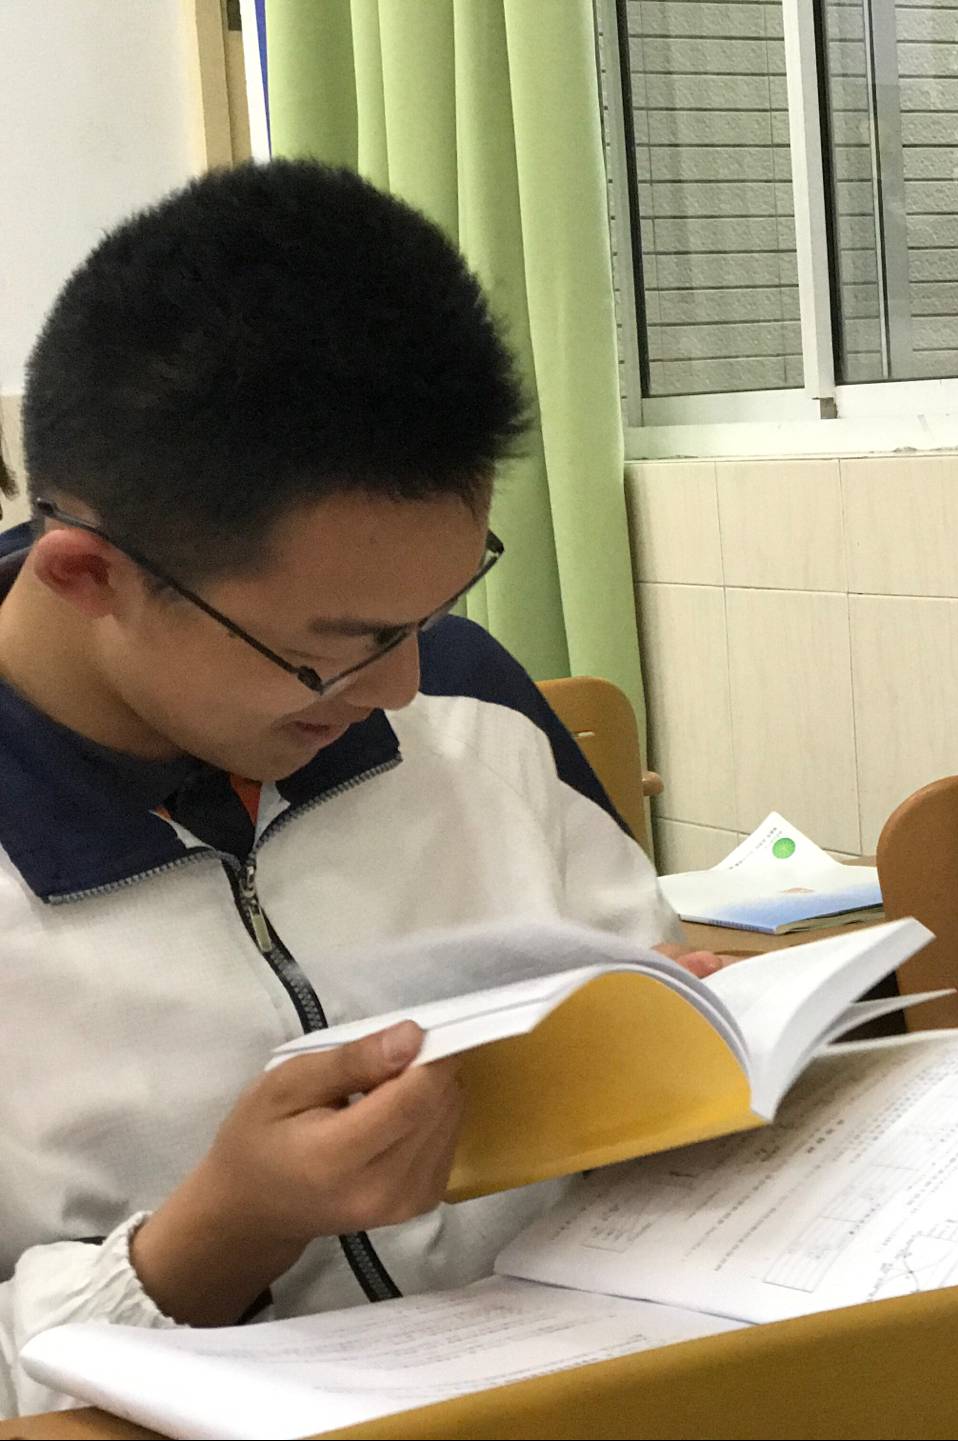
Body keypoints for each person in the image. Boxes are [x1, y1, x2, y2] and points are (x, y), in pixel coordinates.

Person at [0, 160, 711, 1416]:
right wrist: (219, 1231)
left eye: (432, 612)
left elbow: (656, 1035)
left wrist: (685, 1058)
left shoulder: (469, 706)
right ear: (86, 577)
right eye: (336, 646)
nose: (403, 689)